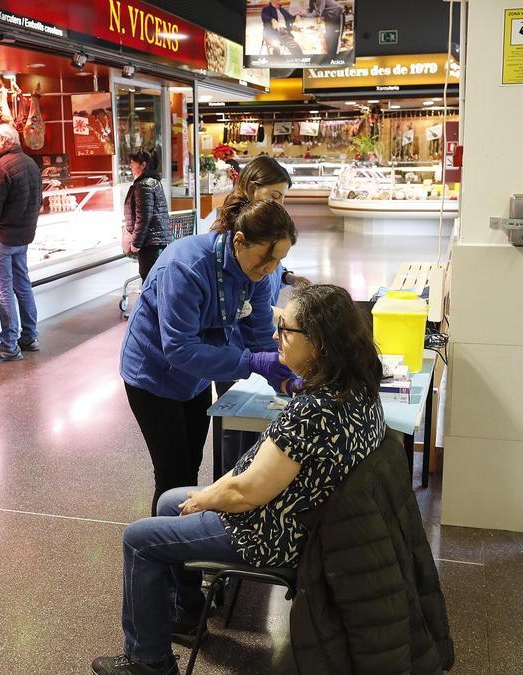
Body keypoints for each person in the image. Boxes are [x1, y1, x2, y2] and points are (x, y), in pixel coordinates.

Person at [93, 285, 386, 675]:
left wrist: (208, 498)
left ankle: (149, 661)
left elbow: (247, 493)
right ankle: (183, 611)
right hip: (306, 520)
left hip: (274, 533)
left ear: (318, 342)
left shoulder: (315, 410)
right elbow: (259, 468)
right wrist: (213, 491)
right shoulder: (355, 391)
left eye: (286, 329)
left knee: (139, 539)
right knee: (168, 502)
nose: (276, 336)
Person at [120, 199, 298, 516]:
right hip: (154, 375)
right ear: (239, 240)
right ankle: (167, 557)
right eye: (265, 258)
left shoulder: (256, 273)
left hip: (196, 375)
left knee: (192, 464)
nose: (271, 268)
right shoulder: (185, 266)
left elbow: (258, 333)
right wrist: (251, 363)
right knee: (173, 474)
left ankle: (183, 544)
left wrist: (284, 374)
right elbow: (179, 349)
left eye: (278, 260)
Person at [213, 156, 312, 474]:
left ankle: (245, 477)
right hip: (234, 344)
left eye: (284, 197)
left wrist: (287, 278)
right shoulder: (231, 240)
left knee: (257, 419)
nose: (281, 204)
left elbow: (268, 276)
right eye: (275, 196)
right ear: (252, 188)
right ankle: (231, 478)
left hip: (258, 337)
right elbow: (239, 307)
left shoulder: (266, 235)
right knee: (235, 420)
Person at [0, 123, 43, 362]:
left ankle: (9, 345)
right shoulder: (30, 163)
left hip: (1, 238)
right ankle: (30, 336)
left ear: (4, 140)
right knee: (23, 285)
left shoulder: (0, 168)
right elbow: (39, 202)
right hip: (22, 237)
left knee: (3, 290)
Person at [123, 148, 172, 281]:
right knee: (155, 278)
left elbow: (143, 217)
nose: (131, 166)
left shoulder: (144, 185)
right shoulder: (153, 181)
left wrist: (136, 242)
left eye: (133, 163)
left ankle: (151, 302)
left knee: (150, 279)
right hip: (155, 240)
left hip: (150, 242)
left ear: (143, 165)